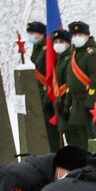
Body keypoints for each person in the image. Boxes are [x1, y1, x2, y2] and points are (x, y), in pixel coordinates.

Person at [61, 21, 96, 148]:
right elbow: (71, 83)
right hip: (76, 104)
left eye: (79, 34)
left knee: (92, 142)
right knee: (78, 142)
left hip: (91, 104)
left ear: (87, 35)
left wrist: (91, 102)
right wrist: (66, 106)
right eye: (74, 35)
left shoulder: (94, 55)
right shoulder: (74, 55)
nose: (76, 38)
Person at [27, 20, 62, 151]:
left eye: (32, 33)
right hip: (39, 93)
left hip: (48, 92)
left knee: (52, 131)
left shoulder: (47, 49)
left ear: (41, 34)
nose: (30, 36)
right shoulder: (37, 48)